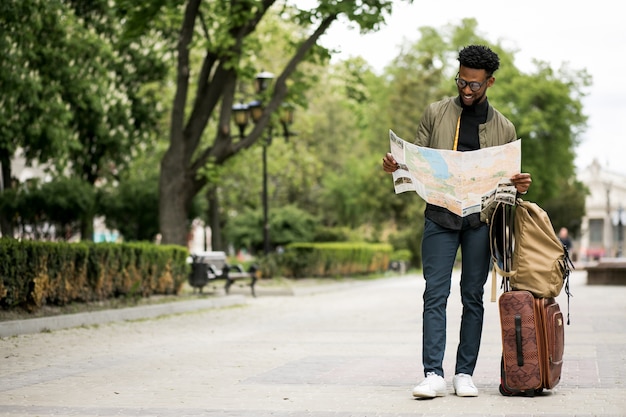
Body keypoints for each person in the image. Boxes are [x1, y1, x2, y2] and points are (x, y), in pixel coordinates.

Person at [382, 45, 532, 398]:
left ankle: (464, 373)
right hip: (439, 214)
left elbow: (508, 184)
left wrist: (520, 185)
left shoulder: (504, 127)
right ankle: (433, 373)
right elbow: (417, 159)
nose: (466, 90)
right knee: (435, 293)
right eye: (461, 82)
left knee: (473, 297)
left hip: (480, 221)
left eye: (475, 85)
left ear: (490, 82)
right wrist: (397, 165)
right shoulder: (435, 113)